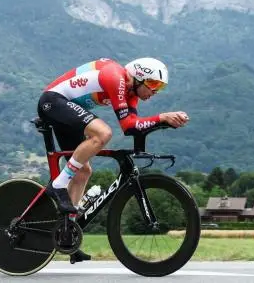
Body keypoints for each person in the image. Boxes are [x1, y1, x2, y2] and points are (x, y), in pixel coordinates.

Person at [36, 57, 189, 262]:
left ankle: (67, 235)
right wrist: (161, 118)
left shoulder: (131, 93)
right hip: (53, 102)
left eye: (159, 87)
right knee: (103, 133)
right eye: (153, 84)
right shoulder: (115, 77)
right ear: (138, 77)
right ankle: (58, 184)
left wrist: (166, 123)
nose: (154, 91)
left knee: (83, 172)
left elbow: (135, 126)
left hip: (65, 106)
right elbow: (127, 126)